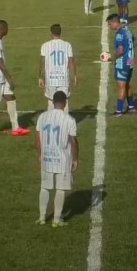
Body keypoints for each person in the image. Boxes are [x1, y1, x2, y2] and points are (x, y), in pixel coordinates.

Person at [35, 91, 78, 228]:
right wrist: (75, 159)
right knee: (61, 188)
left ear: (53, 102)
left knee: (45, 187)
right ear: (65, 103)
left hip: (46, 157)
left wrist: (39, 155)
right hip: (63, 160)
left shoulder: (42, 117)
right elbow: (73, 142)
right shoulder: (69, 119)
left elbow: (37, 139)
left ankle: (42, 218)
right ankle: (56, 220)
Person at [0, 20, 30, 138]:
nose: (8, 30)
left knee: (11, 97)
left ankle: (15, 127)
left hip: (0, 77)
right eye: (7, 28)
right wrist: (10, 78)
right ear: (2, 28)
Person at [38, 24, 77, 113]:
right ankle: (64, 122)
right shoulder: (67, 45)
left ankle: (51, 122)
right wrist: (74, 76)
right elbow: (71, 62)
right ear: (60, 33)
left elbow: (42, 62)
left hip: (50, 78)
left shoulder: (45, 45)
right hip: (63, 78)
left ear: (51, 33)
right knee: (64, 100)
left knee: (51, 101)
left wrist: (40, 77)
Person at [106, 13, 135, 116]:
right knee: (128, 84)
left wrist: (111, 58)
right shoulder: (127, 30)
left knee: (121, 86)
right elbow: (134, 39)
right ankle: (131, 107)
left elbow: (120, 50)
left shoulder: (119, 34)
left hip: (123, 62)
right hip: (130, 60)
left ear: (115, 22)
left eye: (110, 24)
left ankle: (118, 111)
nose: (109, 27)